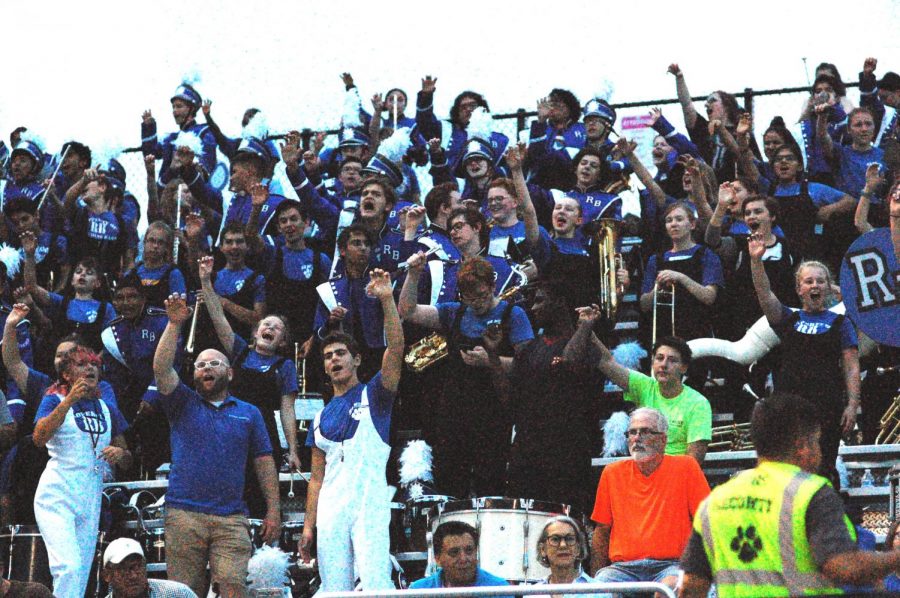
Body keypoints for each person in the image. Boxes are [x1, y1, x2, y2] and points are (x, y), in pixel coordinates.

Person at [680, 393, 900, 597]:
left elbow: (692, 586)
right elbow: (844, 568)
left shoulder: (716, 501)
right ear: (802, 447)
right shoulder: (811, 492)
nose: (819, 450)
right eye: (816, 441)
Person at [152, 292, 280, 598]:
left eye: (214, 363)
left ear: (230, 372)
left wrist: (274, 509)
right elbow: (161, 368)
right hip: (184, 514)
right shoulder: (181, 402)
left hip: (231, 518)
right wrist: (173, 324)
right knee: (183, 593)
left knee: (235, 591)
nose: (206, 368)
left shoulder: (249, 413)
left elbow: (264, 461)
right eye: (200, 365)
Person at [299, 269, 403, 593]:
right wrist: (307, 528)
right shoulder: (319, 418)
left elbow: (397, 350)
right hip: (331, 507)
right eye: (328, 356)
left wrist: (386, 299)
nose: (334, 360)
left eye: (340, 353)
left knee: (373, 582)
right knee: (334, 588)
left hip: (368, 500)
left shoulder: (376, 394)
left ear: (356, 359)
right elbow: (316, 479)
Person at [399, 255, 534, 497]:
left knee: (490, 481)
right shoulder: (454, 313)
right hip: (455, 411)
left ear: (493, 286)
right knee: (450, 479)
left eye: (482, 296)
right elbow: (408, 311)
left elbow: (530, 365)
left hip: (494, 410)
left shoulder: (513, 314)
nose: (477, 303)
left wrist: (491, 360)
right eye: (469, 298)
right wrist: (414, 274)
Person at [750, 239, 859, 487]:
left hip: (827, 406)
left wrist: (852, 404)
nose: (815, 285)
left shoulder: (840, 323)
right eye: (808, 281)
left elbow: (851, 365)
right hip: (789, 406)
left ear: (828, 288)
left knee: (821, 468)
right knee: (786, 467)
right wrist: (756, 261)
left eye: (820, 281)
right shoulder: (788, 318)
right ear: (799, 289)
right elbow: (764, 294)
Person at [199, 255, 300, 517]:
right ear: (255, 332)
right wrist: (205, 282)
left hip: (264, 435)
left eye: (276, 328)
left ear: (282, 341)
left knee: (258, 502)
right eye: (266, 323)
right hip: (231, 429)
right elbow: (218, 316)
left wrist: (292, 450)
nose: (270, 327)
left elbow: (287, 410)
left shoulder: (284, 366)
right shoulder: (239, 352)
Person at [33, 342, 131, 598]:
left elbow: (128, 458)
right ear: (66, 374)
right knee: (68, 567)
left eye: (93, 364)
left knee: (82, 572)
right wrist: (69, 401)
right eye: (81, 364)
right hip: (58, 493)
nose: (89, 368)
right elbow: (39, 437)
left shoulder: (107, 408)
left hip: (90, 494)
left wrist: (120, 454)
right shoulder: (53, 399)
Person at [590, 408, 710, 595]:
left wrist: (697, 570)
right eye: (632, 432)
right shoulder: (611, 473)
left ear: (663, 440)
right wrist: (594, 577)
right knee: (595, 591)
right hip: (623, 569)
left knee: (668, 588)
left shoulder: (686, 467)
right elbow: (601, 532)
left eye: (645, 431)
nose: (637, 438)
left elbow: (706, 523)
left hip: (672, 566)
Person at [505, 289, 603, 514]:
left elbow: (569, 363)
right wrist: (492, 355)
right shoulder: (530, 349)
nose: (533, 308)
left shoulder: (586, 345)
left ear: (560, 302)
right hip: (529, 450)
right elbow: (509, 396)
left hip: (567, 451)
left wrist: (585, 326)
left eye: (540, 301)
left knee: (566, 521)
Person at [595, 335, 711, 463]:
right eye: (659, 358)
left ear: (684, 367)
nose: (663, 365)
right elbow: (606, 362)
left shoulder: (698, 403)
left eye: (672, 360)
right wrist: (587, 325)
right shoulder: (644, 386)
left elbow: (693, 462)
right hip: (644, 469)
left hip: (676, 475)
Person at [409, 521, 512, 596]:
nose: (463, 558)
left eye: (469, 551)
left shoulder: (499, 590)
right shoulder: (419, 591)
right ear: (437, 559)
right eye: (454, 552)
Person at [102, 537, 197, 598]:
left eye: (138, 567)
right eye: (124, 569)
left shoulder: (178, 594)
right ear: (107, 575)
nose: (133, 576)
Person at [534, 516, 595, 596]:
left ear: (578, 549)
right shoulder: (533, 593)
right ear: (543, 549)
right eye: (555, 539)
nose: (563, 545)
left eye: (569, 539)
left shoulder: (597, 591)